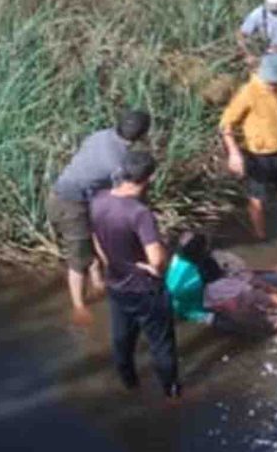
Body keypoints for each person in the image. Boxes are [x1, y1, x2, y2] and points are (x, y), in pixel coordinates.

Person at [90, 151, 181, 398]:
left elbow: (96, 238)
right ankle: (171, 395)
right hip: (145, 289)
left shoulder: (98, 199)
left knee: (122, 339)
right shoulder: (140, 214)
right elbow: (157, 259)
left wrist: (112, 263)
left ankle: (129, 385)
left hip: (116, 284)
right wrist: (155, 269)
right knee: (161, 345)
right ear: (149, 178)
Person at [47, 110, 151, 325]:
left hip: (74, 196)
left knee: (93, 241)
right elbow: (121, 197)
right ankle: (79, 306)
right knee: (79, 259)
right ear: (142, 135)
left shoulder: (100, 135)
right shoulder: (118, 163)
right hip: (69, 202)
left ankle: (98, 284)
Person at [220, 52, 277, 240]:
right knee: (257, 200)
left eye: (276, 81)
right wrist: (234, 153)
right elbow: (226, 124)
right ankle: (260, 235)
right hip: (259, 155)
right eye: (269, 81)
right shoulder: (248, 92)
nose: (272, 85)